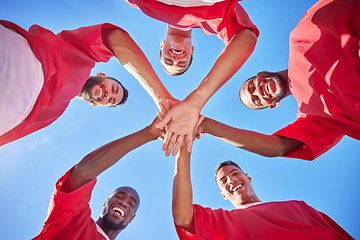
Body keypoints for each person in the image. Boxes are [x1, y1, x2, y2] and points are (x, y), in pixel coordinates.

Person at [0, 20, 172, 146]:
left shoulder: (54, 114)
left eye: (110, 100)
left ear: (98, 105)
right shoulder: (83, 55)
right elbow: (115, 38)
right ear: (102, 74)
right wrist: (164, 100)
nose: (108, 94)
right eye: (113, 88)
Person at [125, 0, 259, 156]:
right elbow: (247, 37)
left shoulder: (145, 5)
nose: (175, 59)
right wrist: (195, 102)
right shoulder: (214, 22)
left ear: (162, 46)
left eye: (168, 60)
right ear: (192, 51)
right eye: (181, 63)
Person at [238, 0, 360, 160]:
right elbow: (277, 147)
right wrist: (206, 125)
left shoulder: (300, 36)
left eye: (251, 86)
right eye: (257, 101)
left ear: (262, 72)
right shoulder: (312, 116)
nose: (257, 92)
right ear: (272, 105)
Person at [32, 116, 164, 240]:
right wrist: (150, 133)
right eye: (119, 196)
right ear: (105, 203)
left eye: (131, 204)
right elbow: (82, 172)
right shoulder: (73, 219)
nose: (123, 202)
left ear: (132, 219)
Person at [172, 151, 354, 239]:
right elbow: (182, 217)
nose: (231, 180)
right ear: (223, 195)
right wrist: (183, 150)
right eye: (224, 181)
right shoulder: (222, 221)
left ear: (248, 177)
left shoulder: (298, 206)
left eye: (235, 173)